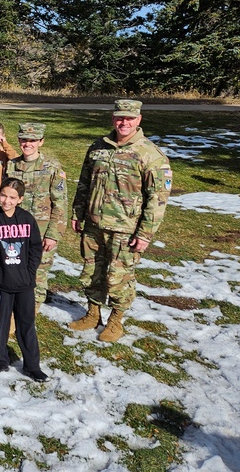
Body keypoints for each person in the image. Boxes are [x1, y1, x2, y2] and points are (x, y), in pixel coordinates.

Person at [69, 100, 171, 343]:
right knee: (92, 271)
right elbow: (84, 183)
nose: (124, 123)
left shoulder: (150, 154)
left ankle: (116, 320)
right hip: (94, 225)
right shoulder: (98, 147)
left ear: (139, 120)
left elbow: (157, 200)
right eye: (119, 118)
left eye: (129, 118)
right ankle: (93, 313)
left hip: (125, 229)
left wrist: (145, 234)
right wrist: (77, 213)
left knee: (119, 277)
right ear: (113, 118)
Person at [0, 178, 48, 382]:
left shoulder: (27, 219)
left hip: (25, 282)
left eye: (12, 197)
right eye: (3, 195)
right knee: (1, 323)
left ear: (20, 199)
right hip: (2, 283)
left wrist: (30, 271)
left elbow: (35, 247)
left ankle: (32, 365)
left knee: (26, 323)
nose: (6, 201)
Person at [7, 123, 67, 311]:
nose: (28, 144)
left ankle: (30, 314)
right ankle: (15, 312)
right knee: (15, 270)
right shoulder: (12, 165)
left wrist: (53, 234)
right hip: (15, 231)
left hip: (40, 233)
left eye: (32, 140)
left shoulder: (52, 167)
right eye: (24, 140)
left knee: (38, 274)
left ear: (41, 141)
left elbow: (60, 203)